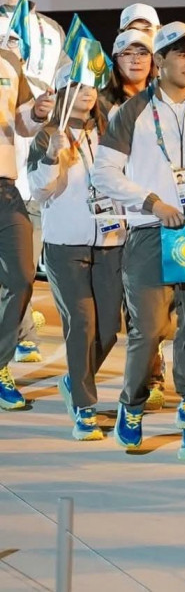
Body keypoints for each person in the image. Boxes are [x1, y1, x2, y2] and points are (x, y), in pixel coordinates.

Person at [91, 21, 185, 464]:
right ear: (159, 61)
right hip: (150, 232)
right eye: (181, 54)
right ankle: (132, 404)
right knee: (150, 329)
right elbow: (104, 173)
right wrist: (152, 202)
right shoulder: (132, 112)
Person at [27, 66, 125, 441]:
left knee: (109, 329)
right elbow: (40, 191)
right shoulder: (48, 134)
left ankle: (73, 380)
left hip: (110, 241)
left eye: (91, 86)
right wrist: (53, 157)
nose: (87, 92)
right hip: (66, 244)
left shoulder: (109, 134)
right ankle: (85, 408)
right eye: (77, 85)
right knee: (81, 323)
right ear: (62, 93)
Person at [0, 0, 66, 365]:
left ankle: (20, 326)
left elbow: (64, 81)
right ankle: (19, 334)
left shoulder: (51, 30)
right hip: (6, 147)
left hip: (34, 140)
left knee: (27, 255)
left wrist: (44, 112)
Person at [101, 27, 169, 409]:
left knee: (154, 313)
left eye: (143, 52)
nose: (136, 59)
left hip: (152, 219)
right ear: (116, 59)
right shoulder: (101, 104)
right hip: (113, 219)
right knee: (131, 314)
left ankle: (154, 377)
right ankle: (137, 383)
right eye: (128, 53)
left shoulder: (167, 101)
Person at [0, 35, 55, 409]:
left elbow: (20, 123)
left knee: (21, 276)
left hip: (6, 188)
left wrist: (36, 113)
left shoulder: (7, 59)